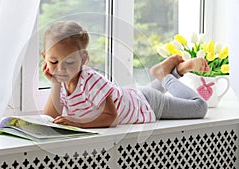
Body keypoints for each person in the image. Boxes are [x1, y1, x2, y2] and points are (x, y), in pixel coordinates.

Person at [41, 20, 209, 128]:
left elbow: (111, 118)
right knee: (151, 91)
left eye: (69, 62)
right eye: (54, 62)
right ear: (45, 58)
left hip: (148, 104)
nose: (61, 69)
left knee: (200, 107)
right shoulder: (62, 82)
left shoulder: (90, 80)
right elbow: (50, 117)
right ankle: (164, 72)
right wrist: (55, 84)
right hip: (136, 96)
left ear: (84, 59)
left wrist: (77, 123)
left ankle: (165, 77)